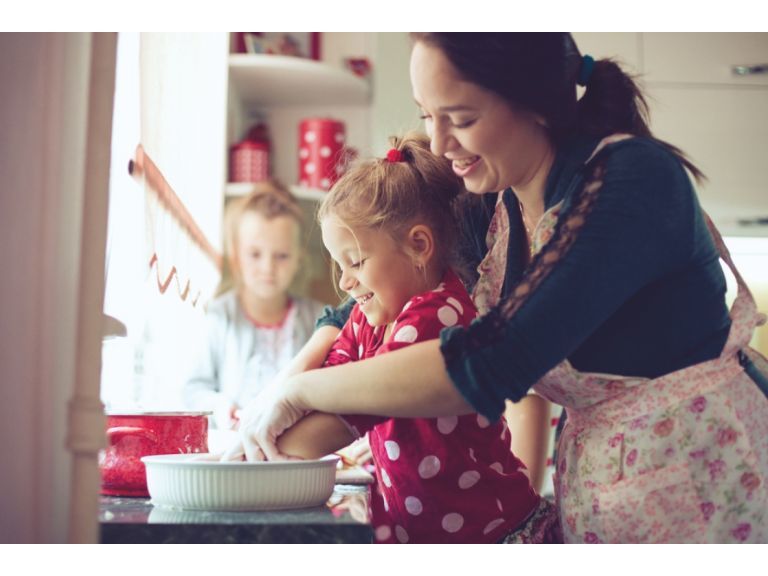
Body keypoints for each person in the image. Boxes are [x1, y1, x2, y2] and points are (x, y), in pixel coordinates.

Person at [234, 33, 768, 543]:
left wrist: (300, 392)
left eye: (461, 118)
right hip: (608, 495)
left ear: (535, 103)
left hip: (708, 484)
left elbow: (490, 362)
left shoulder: (633, 182)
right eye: (428, 115)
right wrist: (280, 390)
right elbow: (364, 292)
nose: (441, 144)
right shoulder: (492, 198)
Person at [234, 133, 558, 544]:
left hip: (494, 538)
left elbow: (346, 413)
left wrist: (244, 457)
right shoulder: (372, 314)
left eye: (356, 262)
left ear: (419, 245)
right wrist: (271, 415)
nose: (347, 282)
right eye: (339, 266)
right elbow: (334, 369)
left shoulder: (437, 316)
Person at [183, 181, 325, 429]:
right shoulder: (220, 315)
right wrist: (221, 407)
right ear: (236, 257)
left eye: (281, 256)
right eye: (255, 254)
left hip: (298, 448)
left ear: (298, 260)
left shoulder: (319, 319)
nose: (268, 268)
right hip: (234, 446)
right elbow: (194, 388)